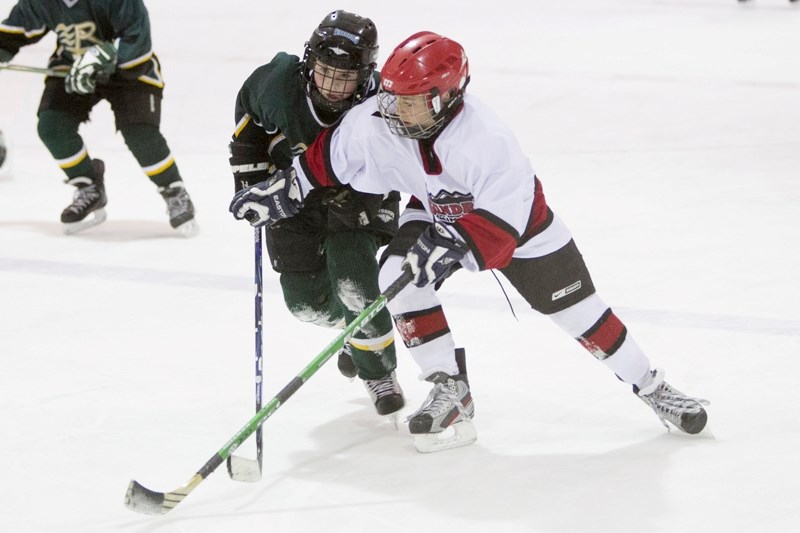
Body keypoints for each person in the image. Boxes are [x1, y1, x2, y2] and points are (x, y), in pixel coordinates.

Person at [230, 31, 711, 453]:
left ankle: (653, 387)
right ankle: (449, 388)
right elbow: (327, 159)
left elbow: (504, 225)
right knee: (397, 274)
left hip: (518, 230)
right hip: (433, 210)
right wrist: (282, 192)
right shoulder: (381, 118)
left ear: (445, 97)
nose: (396, 109)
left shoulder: (487, 141)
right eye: (395, 96)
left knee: (582, 314)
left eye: (412, 101)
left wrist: (449, 249)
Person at [228, 11, 404, 417]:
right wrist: (251, 178)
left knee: (354, 283)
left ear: (364, 75)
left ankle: (378, 372)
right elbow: (249, 120)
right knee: (305, 303)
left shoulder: (379, 106)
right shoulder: (278, 84)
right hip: (292, 196)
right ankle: (353, 329)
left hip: (355, 200)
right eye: (324, 72)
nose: (332, 86)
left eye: (345, 77)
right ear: (309, 62)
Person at [0, 0, 197, 236]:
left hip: (130, 69)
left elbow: (138, 37)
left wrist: (105, 55)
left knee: (139, 133)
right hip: (74, 68)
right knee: (52, 126)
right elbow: (13, 32)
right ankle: (88, 187)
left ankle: (174, 190)